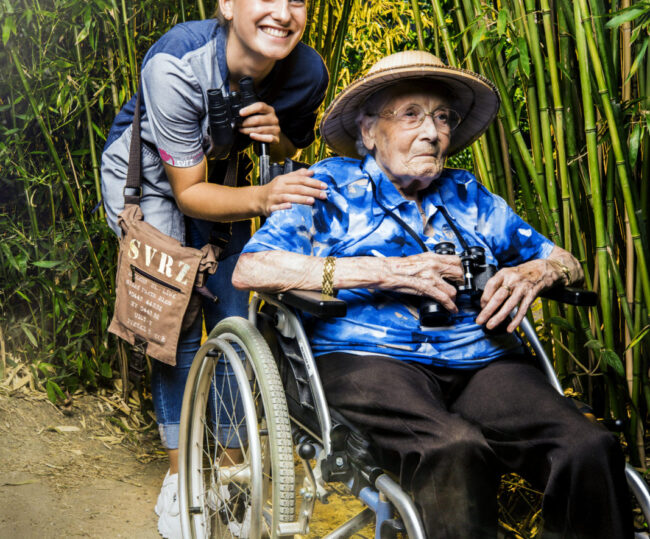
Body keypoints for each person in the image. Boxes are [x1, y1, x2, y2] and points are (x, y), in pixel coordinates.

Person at [232, 51, 633, 538]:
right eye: (411, 114)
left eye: (442, 117)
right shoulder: (326, 187)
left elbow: (563, 259)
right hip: (367, 357)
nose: (432, 131)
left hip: (482, 358)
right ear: (367, 131)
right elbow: (252, 268)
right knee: (453, 447)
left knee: (588, 446)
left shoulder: (470, 195)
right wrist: (383, 272)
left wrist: (536, 272)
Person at [100, 1, 329, 537]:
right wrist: (266, 197)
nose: (282, 12)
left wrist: (281, 138)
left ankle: (227, 470)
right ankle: (181, 479)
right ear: (227, 5)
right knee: (176, 316)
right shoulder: (176, 63)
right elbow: (188, 193)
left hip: (229, 180)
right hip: (152, 182)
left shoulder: (306, 71)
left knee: (237, 306)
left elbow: (296, 147)